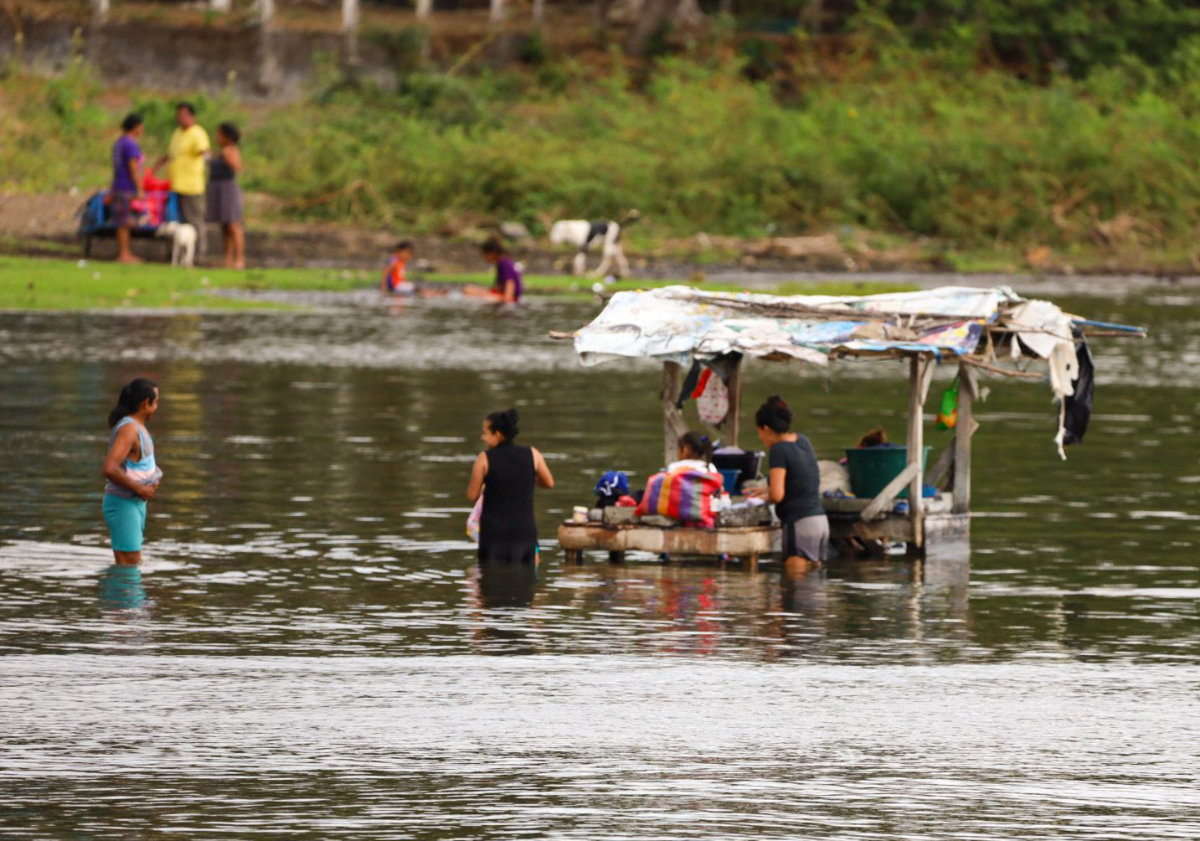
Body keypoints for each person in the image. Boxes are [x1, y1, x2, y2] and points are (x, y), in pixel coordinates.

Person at [745, 395, 829, 573]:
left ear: (766, 429)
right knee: (812, 590)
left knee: (794, 590)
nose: (761, 438)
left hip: (800, 525)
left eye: (759, 433)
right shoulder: (802, 441)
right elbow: (800, 478)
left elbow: (778, 495)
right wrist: (765, 489)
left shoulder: (779, 450)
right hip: (820, 522)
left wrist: (763, 497)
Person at [467, 408, 554, 563]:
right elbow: (549, 483)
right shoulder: (533, 454)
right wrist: (524, 478)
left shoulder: (484, 459)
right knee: (527, 581)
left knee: (492, 582)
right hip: (525, 534)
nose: (482, 437)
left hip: (494, 537)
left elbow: (472, 495)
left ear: (498, 434)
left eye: (485, 433)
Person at [101, 378, 163, 566]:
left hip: (134, 503)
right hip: (123, 503)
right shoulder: (129, 429)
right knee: (129, 563)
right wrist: (140, 489)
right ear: (146, 403)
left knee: (131, 562)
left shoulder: (138, 428)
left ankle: (122, 595)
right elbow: (109, 468)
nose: (157, 406)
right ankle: (121, 595)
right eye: (156, 401)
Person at [154, 102, 210, 260]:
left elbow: (204, 152)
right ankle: (176, 256)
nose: (180, 118)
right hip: (175, 185)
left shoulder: (197, 133)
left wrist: (211, 162)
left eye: (183, 115)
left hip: (192, 186)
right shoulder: (177, 133)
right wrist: (154, 169)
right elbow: (169, 154)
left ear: (192, 116)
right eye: (178, 115)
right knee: (176, 223)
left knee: (194, 221)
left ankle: (198, 255)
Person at [206, 121, 244, 269]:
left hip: (228, 189)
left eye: (219, 134)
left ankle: (239, 259)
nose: (217, 137)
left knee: (234, 224)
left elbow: (237, 167)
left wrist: (226, 157)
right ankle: (227, 259)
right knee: (224, 225)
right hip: (217, 188)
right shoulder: (221, 151)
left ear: (226, 136)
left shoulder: (231, 150)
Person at [110, 113, 145, 264]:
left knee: (122, 221)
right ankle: (124, 254)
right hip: (126, 187)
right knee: (124, 222)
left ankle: (125, 252)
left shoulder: (119, 142)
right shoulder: (131, 144)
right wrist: (139, 188)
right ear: (136, 127)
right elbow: (133, 168)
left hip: (117, 185)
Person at [464, 236, 522, 306]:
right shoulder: (501, 263)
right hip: (503, 294)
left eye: (485, 254)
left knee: (469, 291)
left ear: (492, 253)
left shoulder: (505, 263)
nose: (484, 257)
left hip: (510, 297)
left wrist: (490, 296)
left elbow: (510, 284)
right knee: (468, 289)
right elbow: (498, 286)